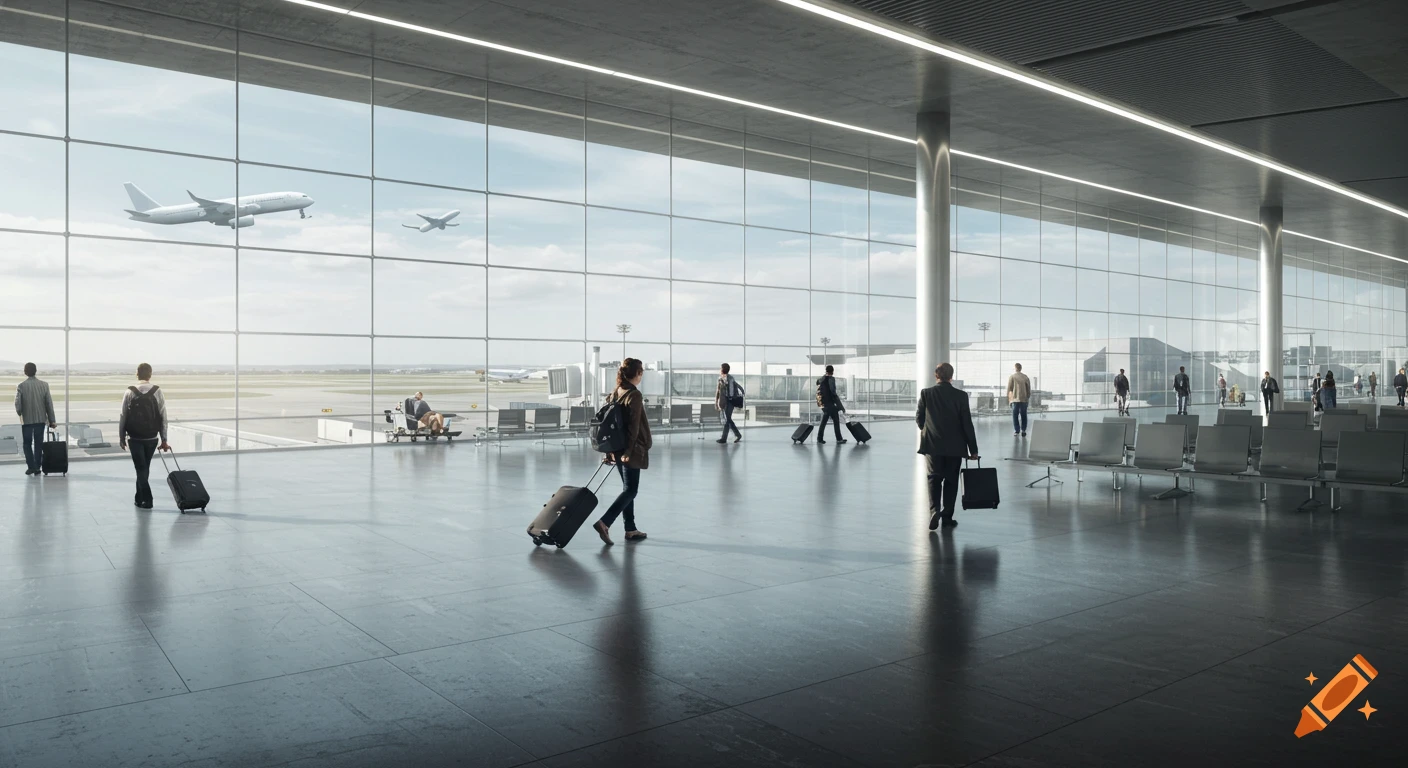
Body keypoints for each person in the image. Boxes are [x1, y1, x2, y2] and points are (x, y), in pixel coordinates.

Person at [592, 358, 651, 545]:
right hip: (629, 448)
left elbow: (611, 426)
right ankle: (605, 522)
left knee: (627, 488)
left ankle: (630, 528)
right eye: (640, 371)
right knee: (631, 489)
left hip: (617, 447)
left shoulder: (616, 392)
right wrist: (628, 450)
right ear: (636, 374)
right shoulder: (634, 395)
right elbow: (633, 427)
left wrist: (612, 451)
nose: (641, 375)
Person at [916, 363, 979, 530]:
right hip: (955, 446)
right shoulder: (961, 396)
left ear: (936, 375)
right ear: (951, 376)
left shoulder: (926, 393)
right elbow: (967, 424)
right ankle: (947, 516)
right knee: (951, 481)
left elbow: (919, 418)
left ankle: (934, 511)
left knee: (933, 478)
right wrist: (973, 449)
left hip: (932, 445)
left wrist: (928, 430)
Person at [118, 363, 171, 509]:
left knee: (140, 468)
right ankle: (138, 498)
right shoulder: (157, 391)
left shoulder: (130, 392)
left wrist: (121, 437)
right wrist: (164, 439)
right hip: (152, 438)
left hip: (134, 438)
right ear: (150, 374)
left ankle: (148, 499)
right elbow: (163, 416)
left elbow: (123, 415)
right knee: (144, 467)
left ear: (137, 374)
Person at [14, 362, 57, 477]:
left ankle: (31, 467)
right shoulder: (44, 385)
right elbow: (49, 404)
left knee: (27, 444)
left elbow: (18, 404)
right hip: (40, 420)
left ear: (25, 372)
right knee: (38, 443)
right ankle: (37, 467)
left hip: (27, 421)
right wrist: (52, 420)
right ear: (35, 371)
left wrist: (20, 413)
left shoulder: (21, 386)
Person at [815, 365, 846, 444]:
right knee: (835, 420)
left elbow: (818, 383)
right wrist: (840, 406)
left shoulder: (821, 379)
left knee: (824, 421)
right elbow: (833, 393)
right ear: (832, 371)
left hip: (823, 404)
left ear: (826, 371)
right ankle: (839, 439)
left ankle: (819, 438)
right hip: (830, 404)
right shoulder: (831, 379)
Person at [714, 363, 743, 444]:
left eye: (721, 368)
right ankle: (737, 435)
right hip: (724, 401)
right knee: (728, 419)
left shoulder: (730, 379)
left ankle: (724, 438)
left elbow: (731, 392)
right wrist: (716, 402)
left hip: (730, 401)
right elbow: (718, 391)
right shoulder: (720, 379)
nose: (720, 370)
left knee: (727, 419)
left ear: (723, 369)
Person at [1007, 363, 1031, 437]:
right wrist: (1027, 397)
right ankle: (1023, 430)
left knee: (1015, 415)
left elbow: (1009, 389)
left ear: (1015, 368)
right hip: (1024, 399)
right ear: (1021, 368)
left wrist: (1010, 400)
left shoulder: (1012, 377)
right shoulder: (1025, 377)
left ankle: (1017, 431)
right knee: (1024, 415)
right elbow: (1028, 389)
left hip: (1015, 400)